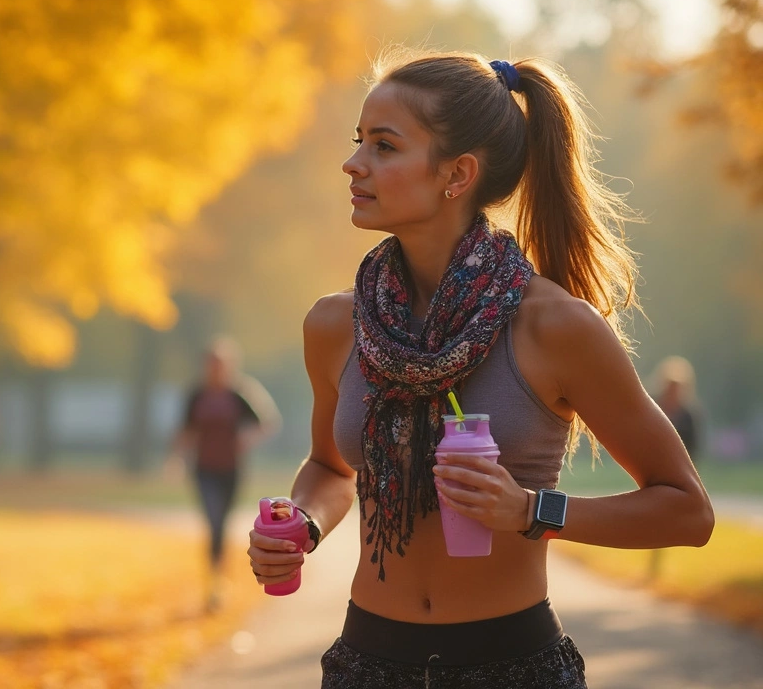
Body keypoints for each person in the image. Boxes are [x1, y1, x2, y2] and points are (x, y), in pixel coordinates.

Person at [246, 50, 714, 687]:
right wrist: (301, 524)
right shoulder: (335, 325)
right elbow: (331, 468)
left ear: (457, 174)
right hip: (366, 664)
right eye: (359, 142)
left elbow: (687, 512)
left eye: (384, 146)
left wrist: (530, 511)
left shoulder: (555, 327)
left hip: (514, 666)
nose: (354, 164)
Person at [171, 336, 280, 612]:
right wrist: (176, 458)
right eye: (212, 364)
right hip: (204, 469)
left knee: (223, 523)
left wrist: (246, 440)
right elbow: (185, 430)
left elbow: (266, 422)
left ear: (230, 366)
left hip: (231, 470)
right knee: (214, 522)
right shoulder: (197, 395)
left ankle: (219, 580)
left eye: (221, 364)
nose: (216, 369)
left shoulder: (239, 394)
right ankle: (215, 583)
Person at [652, 356, 703, 464]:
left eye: (676, 389)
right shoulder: (652, 409)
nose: (672, 393)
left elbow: (693, 447)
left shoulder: (688, 416)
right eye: (670, 388)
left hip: (679, 465)